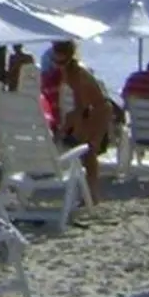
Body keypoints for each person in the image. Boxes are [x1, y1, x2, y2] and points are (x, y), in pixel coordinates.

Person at [41, 40, 110, 196]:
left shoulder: (77, 74)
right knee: (84, 154)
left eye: (61, 61)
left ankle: (93, 195)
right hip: (88, 109)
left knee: (89, 153)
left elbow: (82, 106)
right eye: (55, 61)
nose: (57, 65)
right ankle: (89, 195)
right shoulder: (66, 71)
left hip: (98, 110)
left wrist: (65, 128)